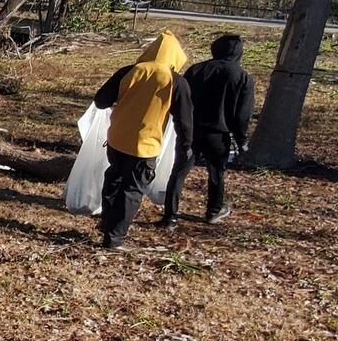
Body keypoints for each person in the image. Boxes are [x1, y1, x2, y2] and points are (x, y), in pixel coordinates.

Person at [91, 31, 194, 249]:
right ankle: (114, 239)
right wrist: (185, 147)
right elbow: (184, 121)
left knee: (114, 178)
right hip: (146, 145)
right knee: (132, 190)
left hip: (117, 138)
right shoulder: (175, 82)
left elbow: (101, 101)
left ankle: (107, 222)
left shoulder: (129, 72)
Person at [167, 33, 257, 224]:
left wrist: (177, 123)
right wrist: (242, 140)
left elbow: (180, 99)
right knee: (216, 173)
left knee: (179, 172)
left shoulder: (196, 70)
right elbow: (243, 114)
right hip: (219, 134)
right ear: (239, 54)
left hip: (190, 130)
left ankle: (170, 215)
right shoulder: (242, 77)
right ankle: (213, 210)